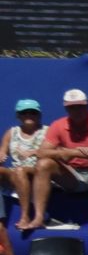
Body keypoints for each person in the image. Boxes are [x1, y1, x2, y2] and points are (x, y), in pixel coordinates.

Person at [30, 85, 88, 235]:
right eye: (72, 108)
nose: (76, 111)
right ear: (66, 109)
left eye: (80, 107)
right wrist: (71, 152)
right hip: (73, 175)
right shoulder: (58, 124)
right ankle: (38, 217)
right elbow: (42, 152)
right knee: (43, 164)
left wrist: (72, 153)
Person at [3, 97, 42, 231]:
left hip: (38, 172)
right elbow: (2, 152)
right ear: (18, 115)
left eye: (32, 112)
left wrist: (35, 152)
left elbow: (56, 152)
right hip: (15, 172)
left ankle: (25, 216)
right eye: (25, 112)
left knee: (20, 171)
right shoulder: (11, 132)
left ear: (38, 115)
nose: (29, 115)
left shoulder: (47, 131)